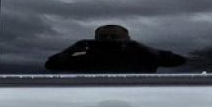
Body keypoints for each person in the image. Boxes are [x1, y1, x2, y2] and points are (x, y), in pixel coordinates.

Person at [44, 24, 186, 74]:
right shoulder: (85, 58)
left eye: (114, 37)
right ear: (95, 39)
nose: (109, 40)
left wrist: (139, 46)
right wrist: (71, 50)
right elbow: (51, 65)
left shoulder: (142, 56)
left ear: (127, 39)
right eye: (103, 37)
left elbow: (179, 61)